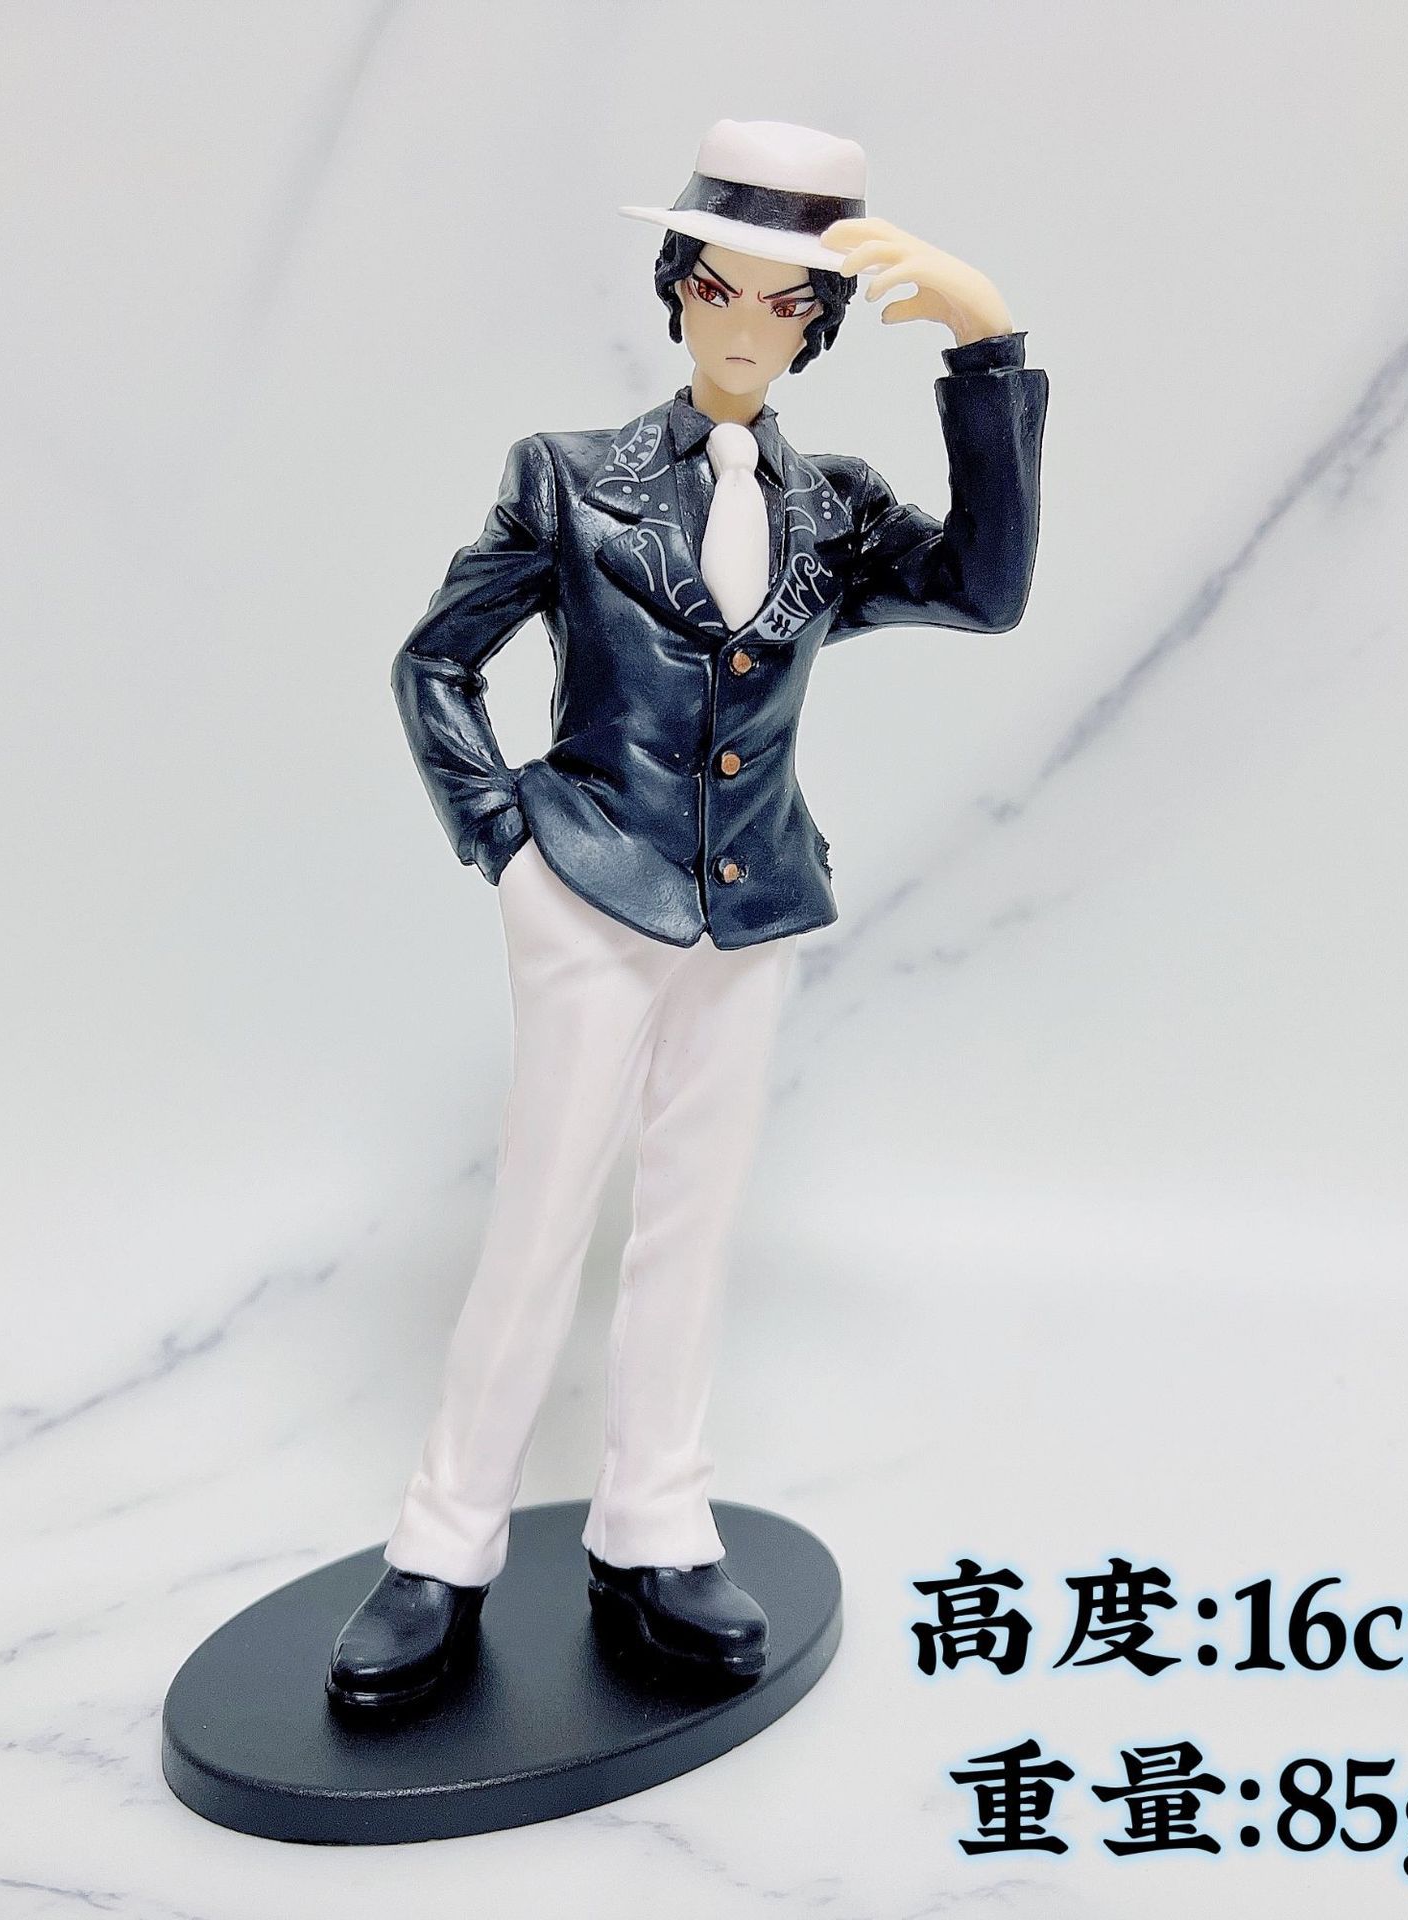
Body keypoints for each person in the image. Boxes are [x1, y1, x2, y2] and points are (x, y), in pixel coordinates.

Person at [326, 119, 1048, 1712]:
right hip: (589, 888)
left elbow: (986, 592)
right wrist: (507, 844)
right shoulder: (569, 476)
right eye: (719, 287)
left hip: (754, 905)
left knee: (693, 1223)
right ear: (675, 288)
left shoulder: (833, 505)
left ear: (818, 326)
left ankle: (653, 1522)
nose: (743, 326)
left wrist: (987, 350)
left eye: (785, 303)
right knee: (541, 1220)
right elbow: (436, 661)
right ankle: (443, 1545)